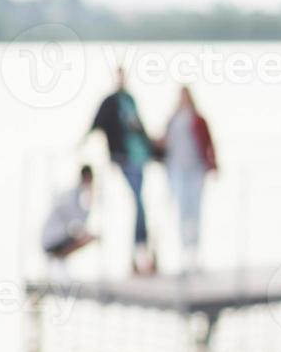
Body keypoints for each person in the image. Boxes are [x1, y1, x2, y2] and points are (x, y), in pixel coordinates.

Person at [84, 66, 157, 276]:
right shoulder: (111, 101)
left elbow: (140, 128)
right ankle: (139, 252)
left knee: (141, 204)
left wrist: (154, 149)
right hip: (124, 159)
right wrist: (81, 145)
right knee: (139, 204)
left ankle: (140, 252)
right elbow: (96, 124)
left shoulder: (130, 100)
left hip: (139, 158)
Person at [159, 85, 218, 274]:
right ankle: (185, 253)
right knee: (183, 211)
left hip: (196, 169)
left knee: (195, 210)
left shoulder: (197, 118)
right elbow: (164, 143)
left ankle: (196, 252)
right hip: (178, 170)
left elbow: (208, 141)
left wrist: (213, 164)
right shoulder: (173, 119)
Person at [41, 165, 99, 282]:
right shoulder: (72, 195)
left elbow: (80, 220)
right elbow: (76, 224)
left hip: (59, 237)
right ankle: (58, 258)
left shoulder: (79, 194)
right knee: (87, 237)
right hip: (52, 239)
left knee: (88, 237)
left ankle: (60, 260)